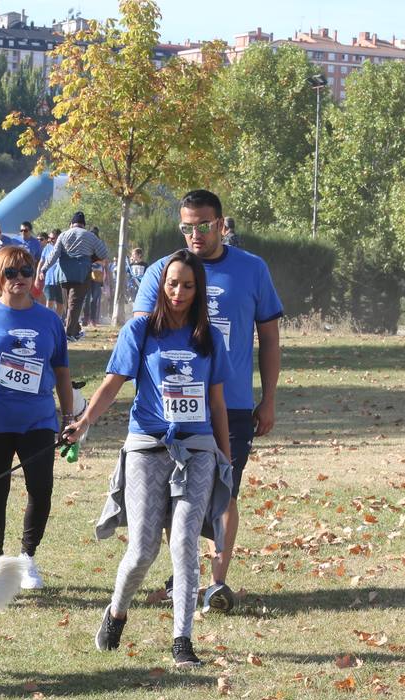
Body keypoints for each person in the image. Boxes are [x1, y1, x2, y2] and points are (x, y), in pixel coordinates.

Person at [63, 249, 232, 669]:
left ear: (198, 290)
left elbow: (218, 402)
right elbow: (112, 384)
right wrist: (82, 422)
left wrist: (224, 456)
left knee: (185, 541)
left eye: (188, 285)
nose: (178, 292)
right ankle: (116, 612)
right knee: (142, 550)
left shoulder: (208, 338)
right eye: (172, 283)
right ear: (161, 285)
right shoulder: (140, 331)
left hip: (197, 449)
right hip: (146, 447)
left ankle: (183, 641)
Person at [134, 189, 282, 613]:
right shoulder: (164, 271)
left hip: (230, 404)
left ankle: (217, 582)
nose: (196, 234)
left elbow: (269, 339)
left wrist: (268, 399)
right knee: (174, 495)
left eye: (204, 225)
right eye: (187, 226)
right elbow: (142, 337)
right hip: (172, 404)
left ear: (220, 224)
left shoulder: (252, 270)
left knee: (223, 489)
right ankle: (184, 574)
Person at [0, 246, 71, 588]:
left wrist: (70, 415)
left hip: (38, 418)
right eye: (10, 272)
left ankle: (27, 558)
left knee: (41, 488)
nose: (19, 279)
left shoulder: (49, 319)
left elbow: (61, 370)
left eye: (25, 271)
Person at [39, 211, 108, 341]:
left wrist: (44, 269)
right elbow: (103, 253)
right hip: (81, 273)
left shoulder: (63, 235)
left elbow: (53, 255)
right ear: (83, 224)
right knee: (74, 304)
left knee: (68, 305)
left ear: (71, 224)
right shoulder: (90, 236)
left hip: (63, 274)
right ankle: (69, 334)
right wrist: (91, 254)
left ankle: (75, 331)